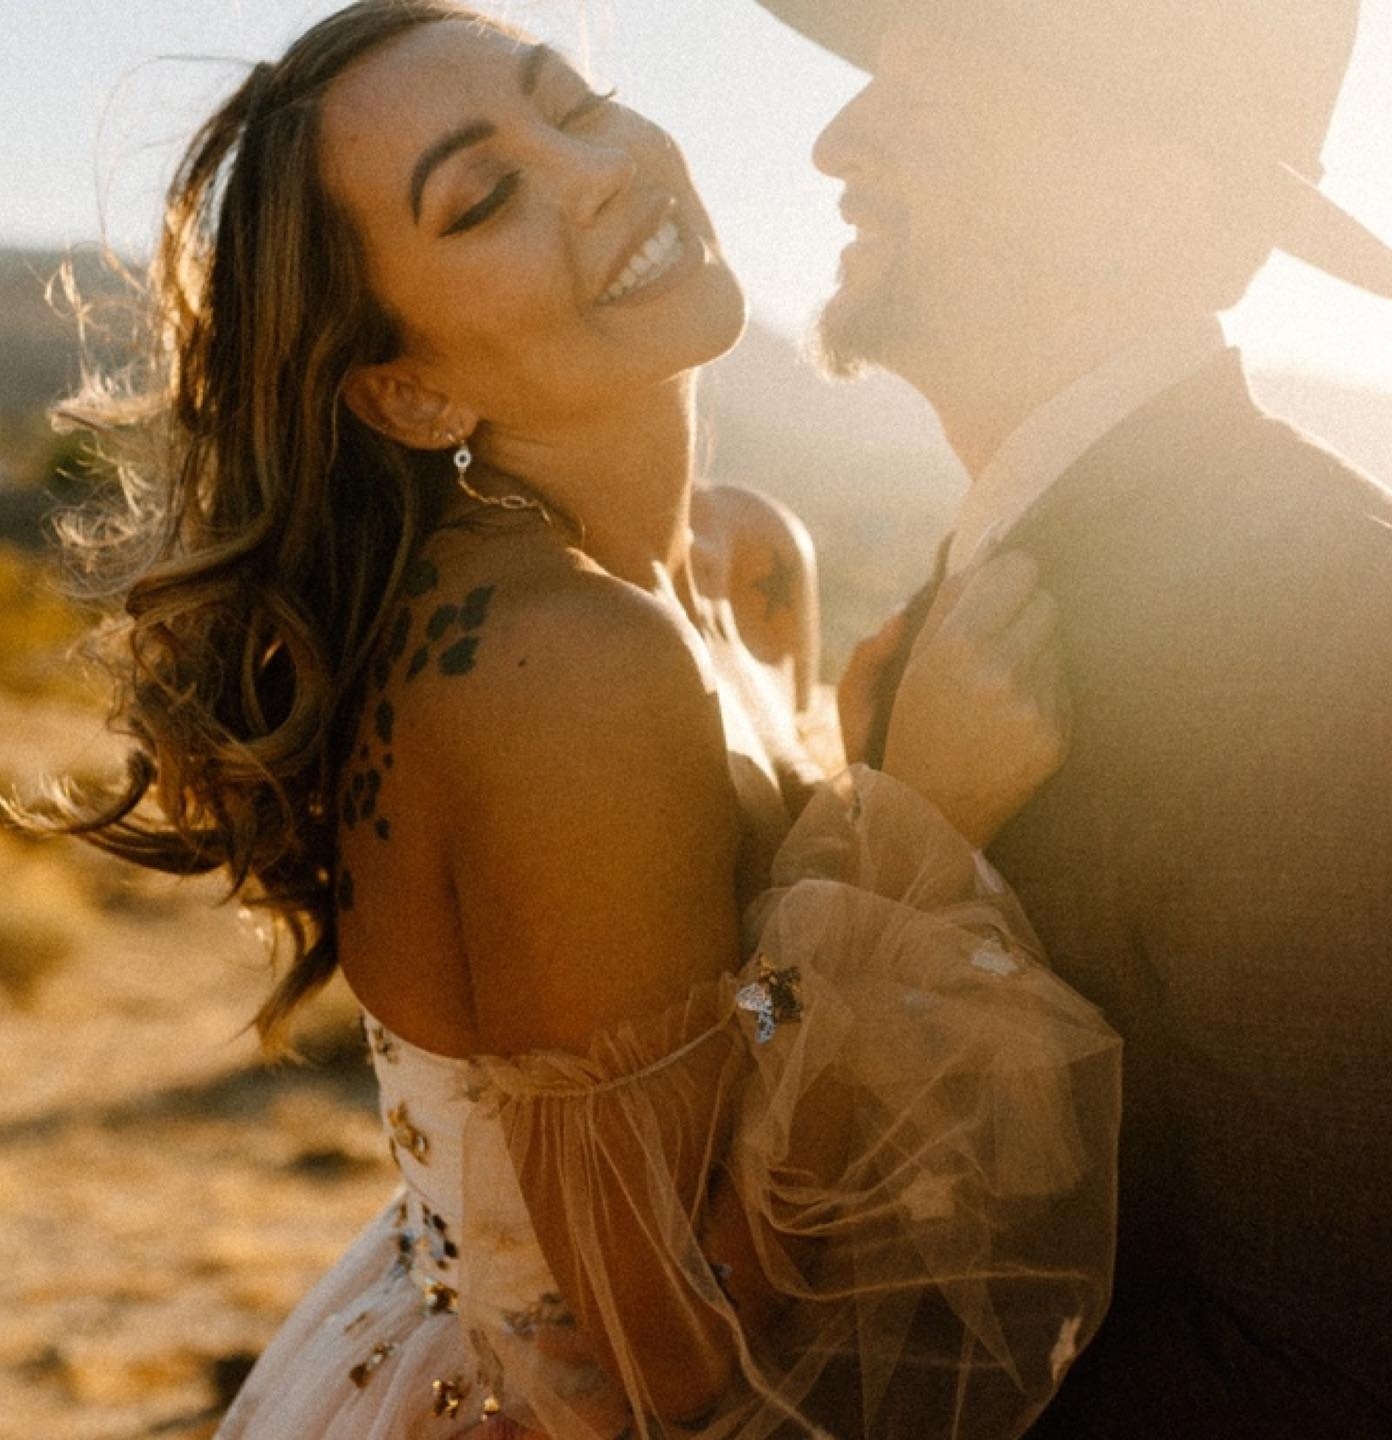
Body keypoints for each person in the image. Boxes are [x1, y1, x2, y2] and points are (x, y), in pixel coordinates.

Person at [16, 3, 1121, 1436]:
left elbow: (723, 1002)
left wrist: (856, 781)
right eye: (485, 196)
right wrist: (914, 830)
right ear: (411, 390)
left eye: (576, 106)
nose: (601, 171)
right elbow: (673, 1349)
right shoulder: (557, 667)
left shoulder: (745, 555)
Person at [751, 0, 1392, 1434]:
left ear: (1148, 189)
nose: (836, 141)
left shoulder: (1319, 618)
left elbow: (1343, 1362)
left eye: (929, 100)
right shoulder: (1027, 552)